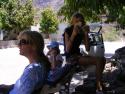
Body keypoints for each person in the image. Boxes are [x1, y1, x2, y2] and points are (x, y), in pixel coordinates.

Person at [63, 12, 106, 93]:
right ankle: (99, 87)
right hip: (71, 58)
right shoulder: (68, 30)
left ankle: (98, 83)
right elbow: (67, 50)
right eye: (77, 21)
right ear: (73, 22)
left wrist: (86, 33)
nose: (79, 23)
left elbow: (87, 48)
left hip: (78, 56)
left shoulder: (81, 31)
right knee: (99, 60)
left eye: (81, 21)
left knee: (103, 59)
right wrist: (73, 34)